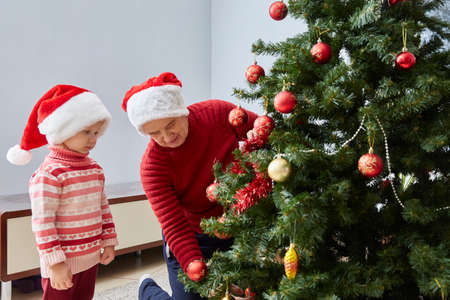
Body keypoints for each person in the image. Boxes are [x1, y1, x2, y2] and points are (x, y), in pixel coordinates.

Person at [121, 72, 258, 299]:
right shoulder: (152, 167)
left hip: (241, 224)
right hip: (193, 234)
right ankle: (147, 290)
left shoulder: (217, 113)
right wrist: (196, 268)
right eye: (155, 133)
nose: (166, 136)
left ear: (181, 112)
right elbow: (175, 226)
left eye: (170, 124)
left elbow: (264, 131)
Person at [7, 85, 118, 300]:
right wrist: (56, 263)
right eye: (86, 132)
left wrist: (109, 240)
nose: (93, 139)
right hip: (62, 262)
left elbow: (102, 206)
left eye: (96, 133)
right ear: (63, 129)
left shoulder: (94, 169)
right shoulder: (49, 174)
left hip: (90, 257)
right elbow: (43, 223)